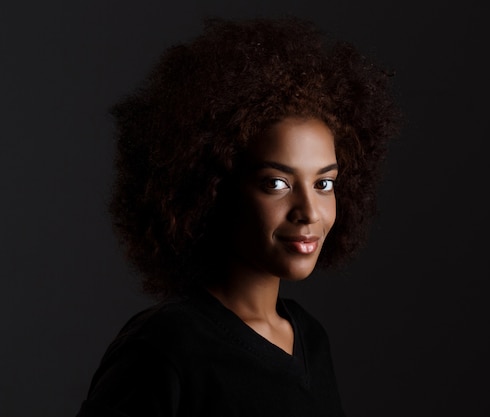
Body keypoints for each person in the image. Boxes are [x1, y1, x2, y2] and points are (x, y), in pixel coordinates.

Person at [75, 16, 401, 417]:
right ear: (212, 188)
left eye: (324, 184)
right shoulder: (164, 349)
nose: (309, 212)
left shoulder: (311, 342)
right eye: (276, 184)